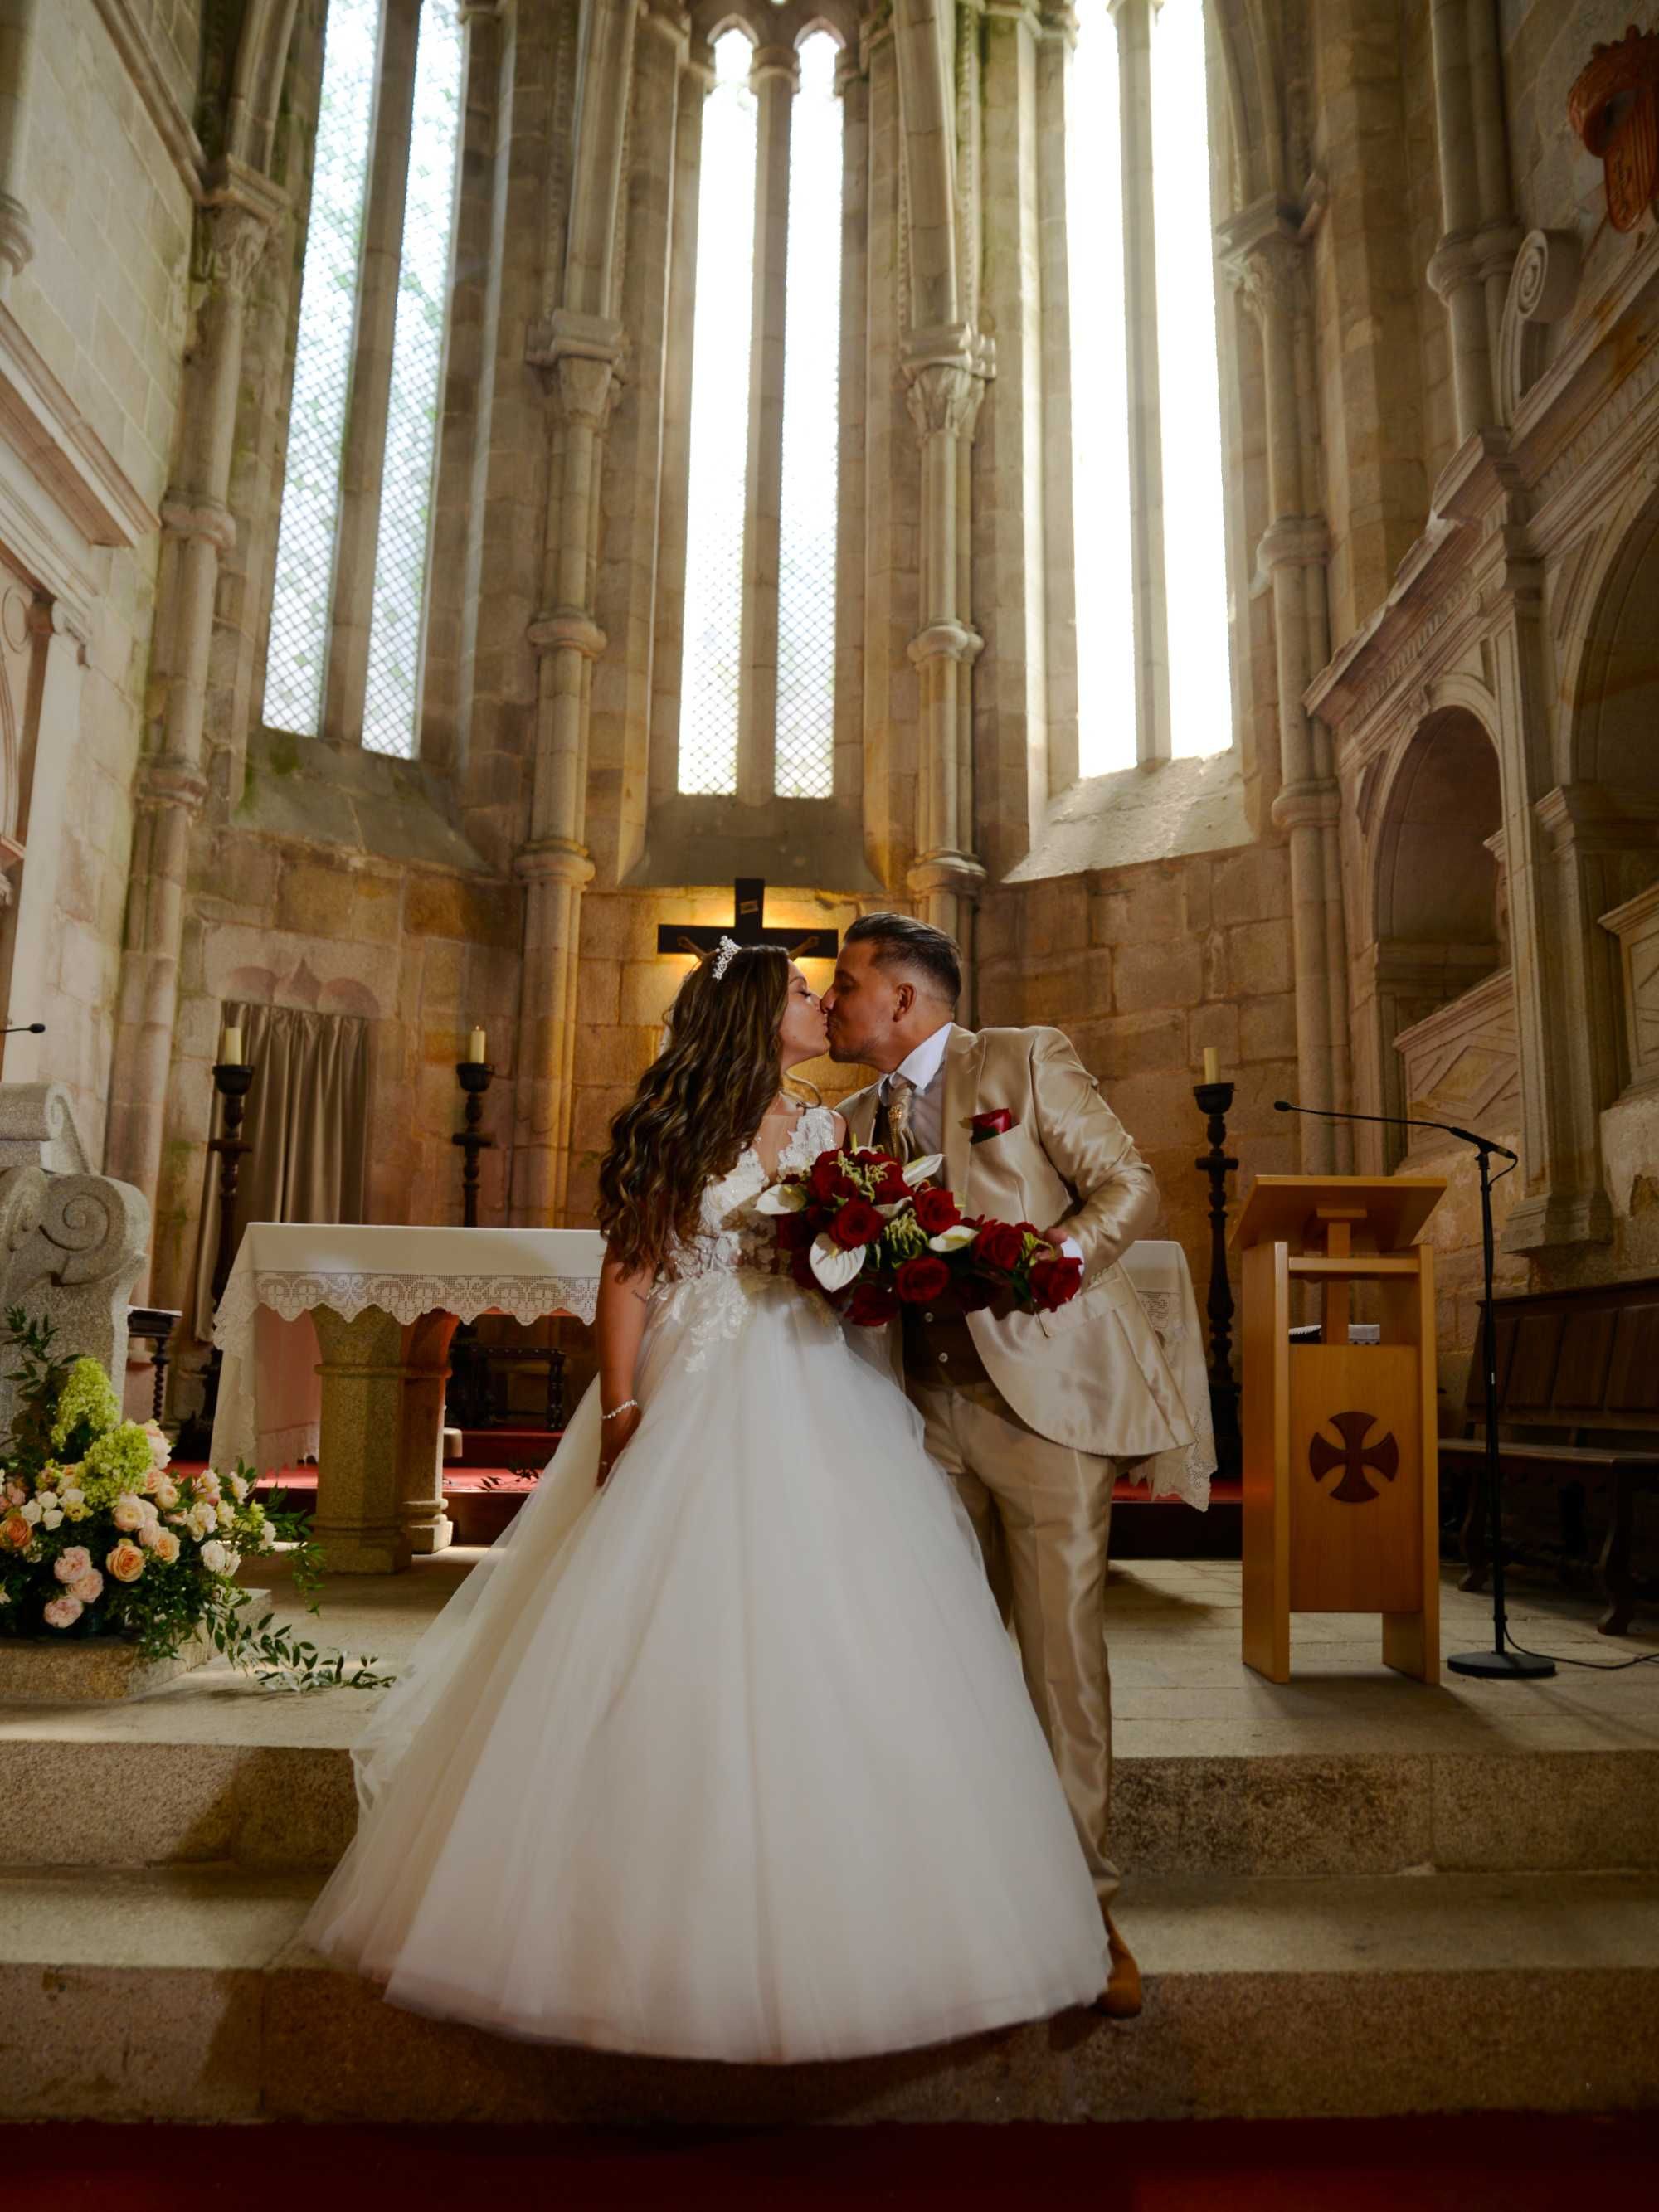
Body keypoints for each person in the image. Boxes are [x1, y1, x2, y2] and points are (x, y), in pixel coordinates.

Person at [299, 935, 1111, 2064]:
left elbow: (851, 1262)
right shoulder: (683, 1125)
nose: (825, 1001)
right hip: (704, 1388)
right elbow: (628, 1269)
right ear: (750, 1016)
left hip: (829, 1387)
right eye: (803, 992)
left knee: (845, 1635)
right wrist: (624, 1407)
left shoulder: (835, 1127)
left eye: (833, 989)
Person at [824, 912, 1195, 2020]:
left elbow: (1129, 1184)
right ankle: (948, 1894)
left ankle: (1087, 1909)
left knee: (1057, 1661)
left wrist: (1053, 1262)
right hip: (911, 1414)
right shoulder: (845, 1119)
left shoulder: (1021, 1061)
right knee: (929, 1658)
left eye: (846, 985)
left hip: (1042, 1404)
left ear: (902, 1000)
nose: (833, 1001)